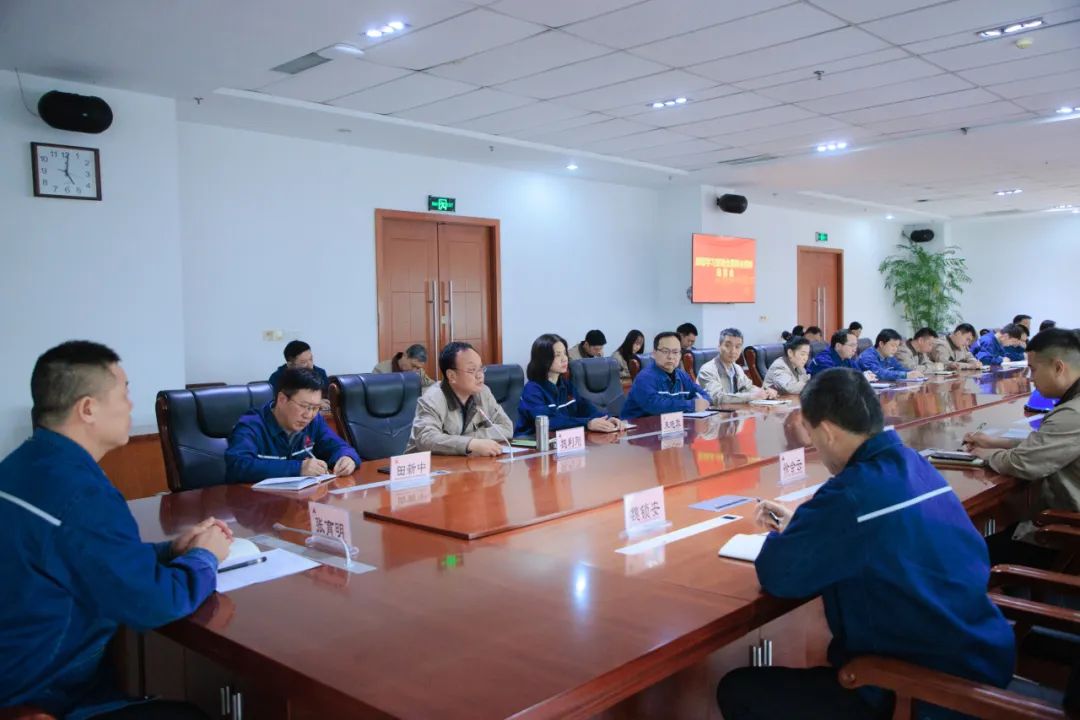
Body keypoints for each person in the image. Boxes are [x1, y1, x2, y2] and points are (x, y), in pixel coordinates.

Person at [717, 368, 1014, 720]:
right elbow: (875, 530)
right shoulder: (916, 464)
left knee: (738, 690)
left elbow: (778, 575)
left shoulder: (850, 494)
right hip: (981, 657)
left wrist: (791, 532)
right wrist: (809, 525)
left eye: (811, 434)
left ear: (827, 431)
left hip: (921, 690)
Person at [0, 341, 231, 719]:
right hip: (43, 692)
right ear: (88, 408)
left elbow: (79, 556)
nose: (130, 406)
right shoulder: (82, 495)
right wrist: (205, 557)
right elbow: (155, 603)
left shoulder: (18, 466)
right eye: (124, 393)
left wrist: (169, 551)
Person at [964, 328, 1080, 566]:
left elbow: (1023, 462)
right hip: (1066, 525)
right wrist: (995, 442)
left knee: (966, 556)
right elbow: (1049, 443)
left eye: (1033, 369)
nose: (1030, 377)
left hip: (1065, 537)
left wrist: (989, 455)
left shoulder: (1073, 414)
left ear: (1058, 367)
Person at [225, 367, 359, 483]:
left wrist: (347, 458)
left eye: (315, 408)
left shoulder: (314, 421)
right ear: (282, 399)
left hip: (300, 501)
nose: (309, 415)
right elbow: (238, 465)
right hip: (254, 501)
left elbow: (339, 446)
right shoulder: (251, 425)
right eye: (304, 406)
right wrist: (298, 468)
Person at [405, 341, 513, 456]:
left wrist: (469, 441)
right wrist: (469, 444)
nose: (480, 375)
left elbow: (506, 428)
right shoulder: (432, 398)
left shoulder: (483, 392)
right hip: (428, 464)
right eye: (472, 370)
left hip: (464, 461)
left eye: (481, 368)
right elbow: (425, 439)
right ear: (452, 376)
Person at [515, 334, 621, 436]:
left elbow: (584, 407)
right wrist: (587, 423)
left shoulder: (565, 384)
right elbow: (549, 422)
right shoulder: (532, 390)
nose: (564, 358)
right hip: (533, 442)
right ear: (543, 359)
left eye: (564, 353)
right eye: (557, 355)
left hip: (560, 440)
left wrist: (607, 418)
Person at [621, 332, 710, 420]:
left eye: (675, 352)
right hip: (637, 426)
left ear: (680, 355)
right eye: (665, 351)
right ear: (654, 353)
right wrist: (692, 405)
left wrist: (700, 402)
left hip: (669, 426)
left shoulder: (681, 375)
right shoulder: (644, 377)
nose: (670, 356)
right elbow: (655, 406)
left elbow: (703, 394)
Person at [698, 328, 779, 403]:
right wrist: (751, 396)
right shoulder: (708, 370)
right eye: (727, 346)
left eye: (737, 347)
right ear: (719, 347)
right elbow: (717, 398)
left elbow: (748, 387)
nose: (733, 351)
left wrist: (765, 392)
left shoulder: (737, 368)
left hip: (734, 411)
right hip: (714, 413)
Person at [807, 329, 877, 381]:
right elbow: (836, 380)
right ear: (838, 346)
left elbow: (858, 373)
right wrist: (861, 378)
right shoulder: (823, 360)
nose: (855, 349)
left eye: (856, 345)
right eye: (852, 345)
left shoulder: (847, 358)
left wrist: (866, 375)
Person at [858, 329, 925, 381]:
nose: (895, 349)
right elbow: (879, 373)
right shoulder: (867, 356)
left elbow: (900, 369)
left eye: (897, 346)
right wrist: (905, 375)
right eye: (892, 345)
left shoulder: (889, 356)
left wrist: (913, 373)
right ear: (881, 344)